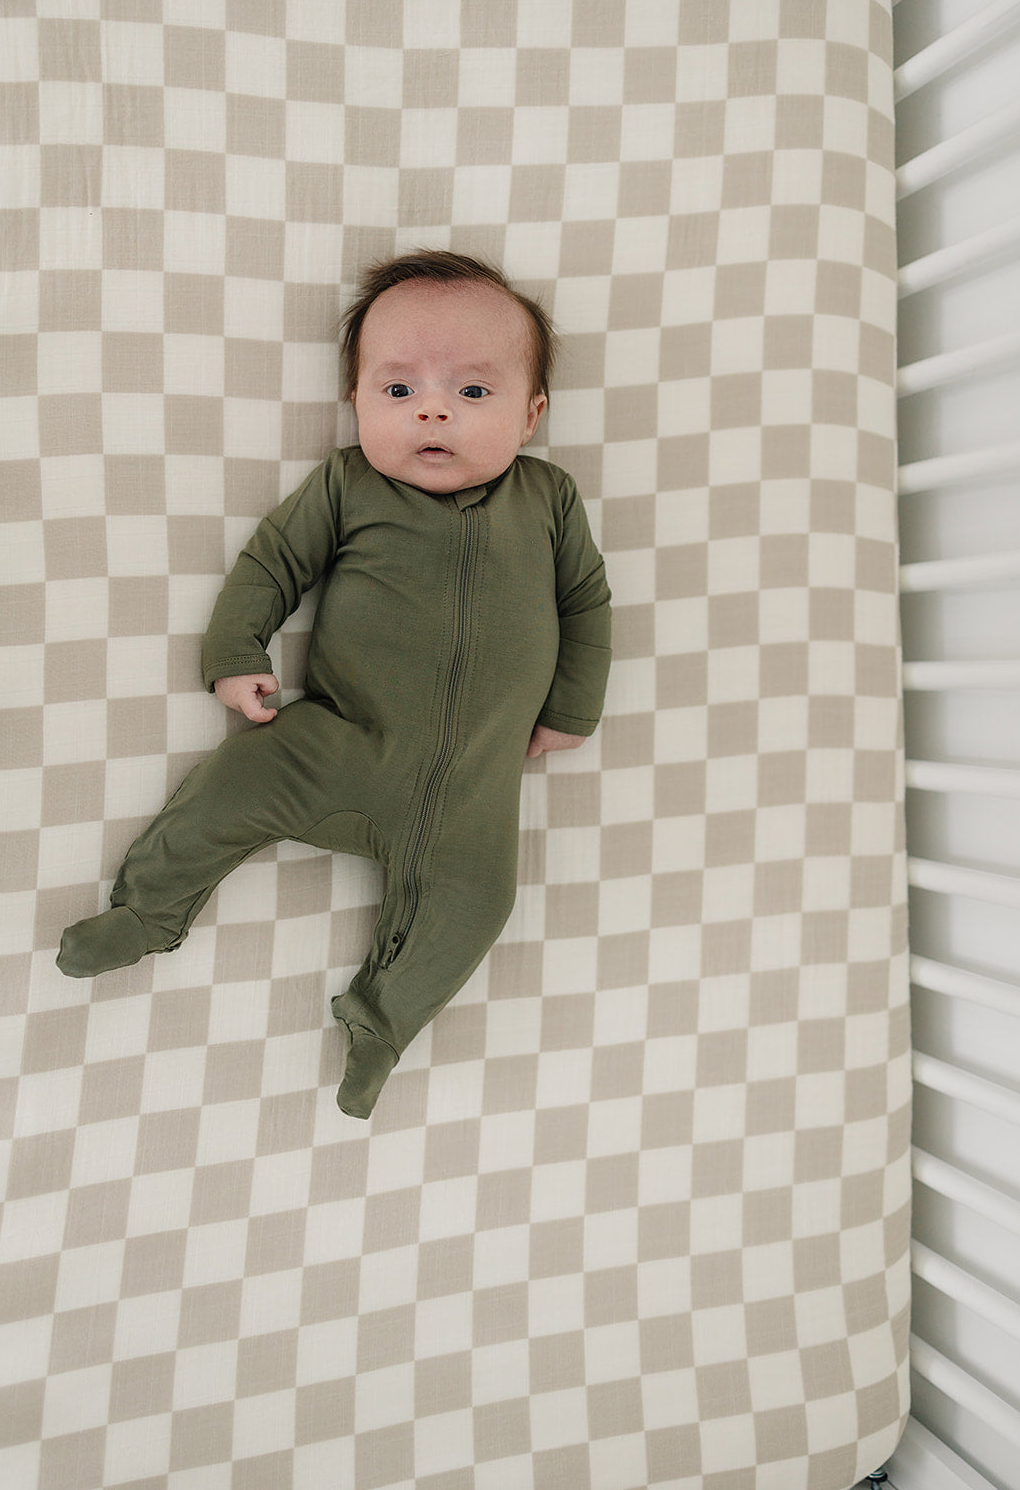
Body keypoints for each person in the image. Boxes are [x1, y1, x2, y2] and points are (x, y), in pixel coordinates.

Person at [57, 250, 612, 1118]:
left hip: (473, 782)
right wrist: (237, 650)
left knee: (477, 904)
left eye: (472, 392)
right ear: (355, 402)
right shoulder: (348, 485)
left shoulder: (548, 500)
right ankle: (149, 911)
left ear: (531, 414)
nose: (432, 408)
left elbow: (585, 601)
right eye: (398, 391)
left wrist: (573, 705)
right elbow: (273, 563)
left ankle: (382, 1019)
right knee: (229, 783)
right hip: (339, 739)